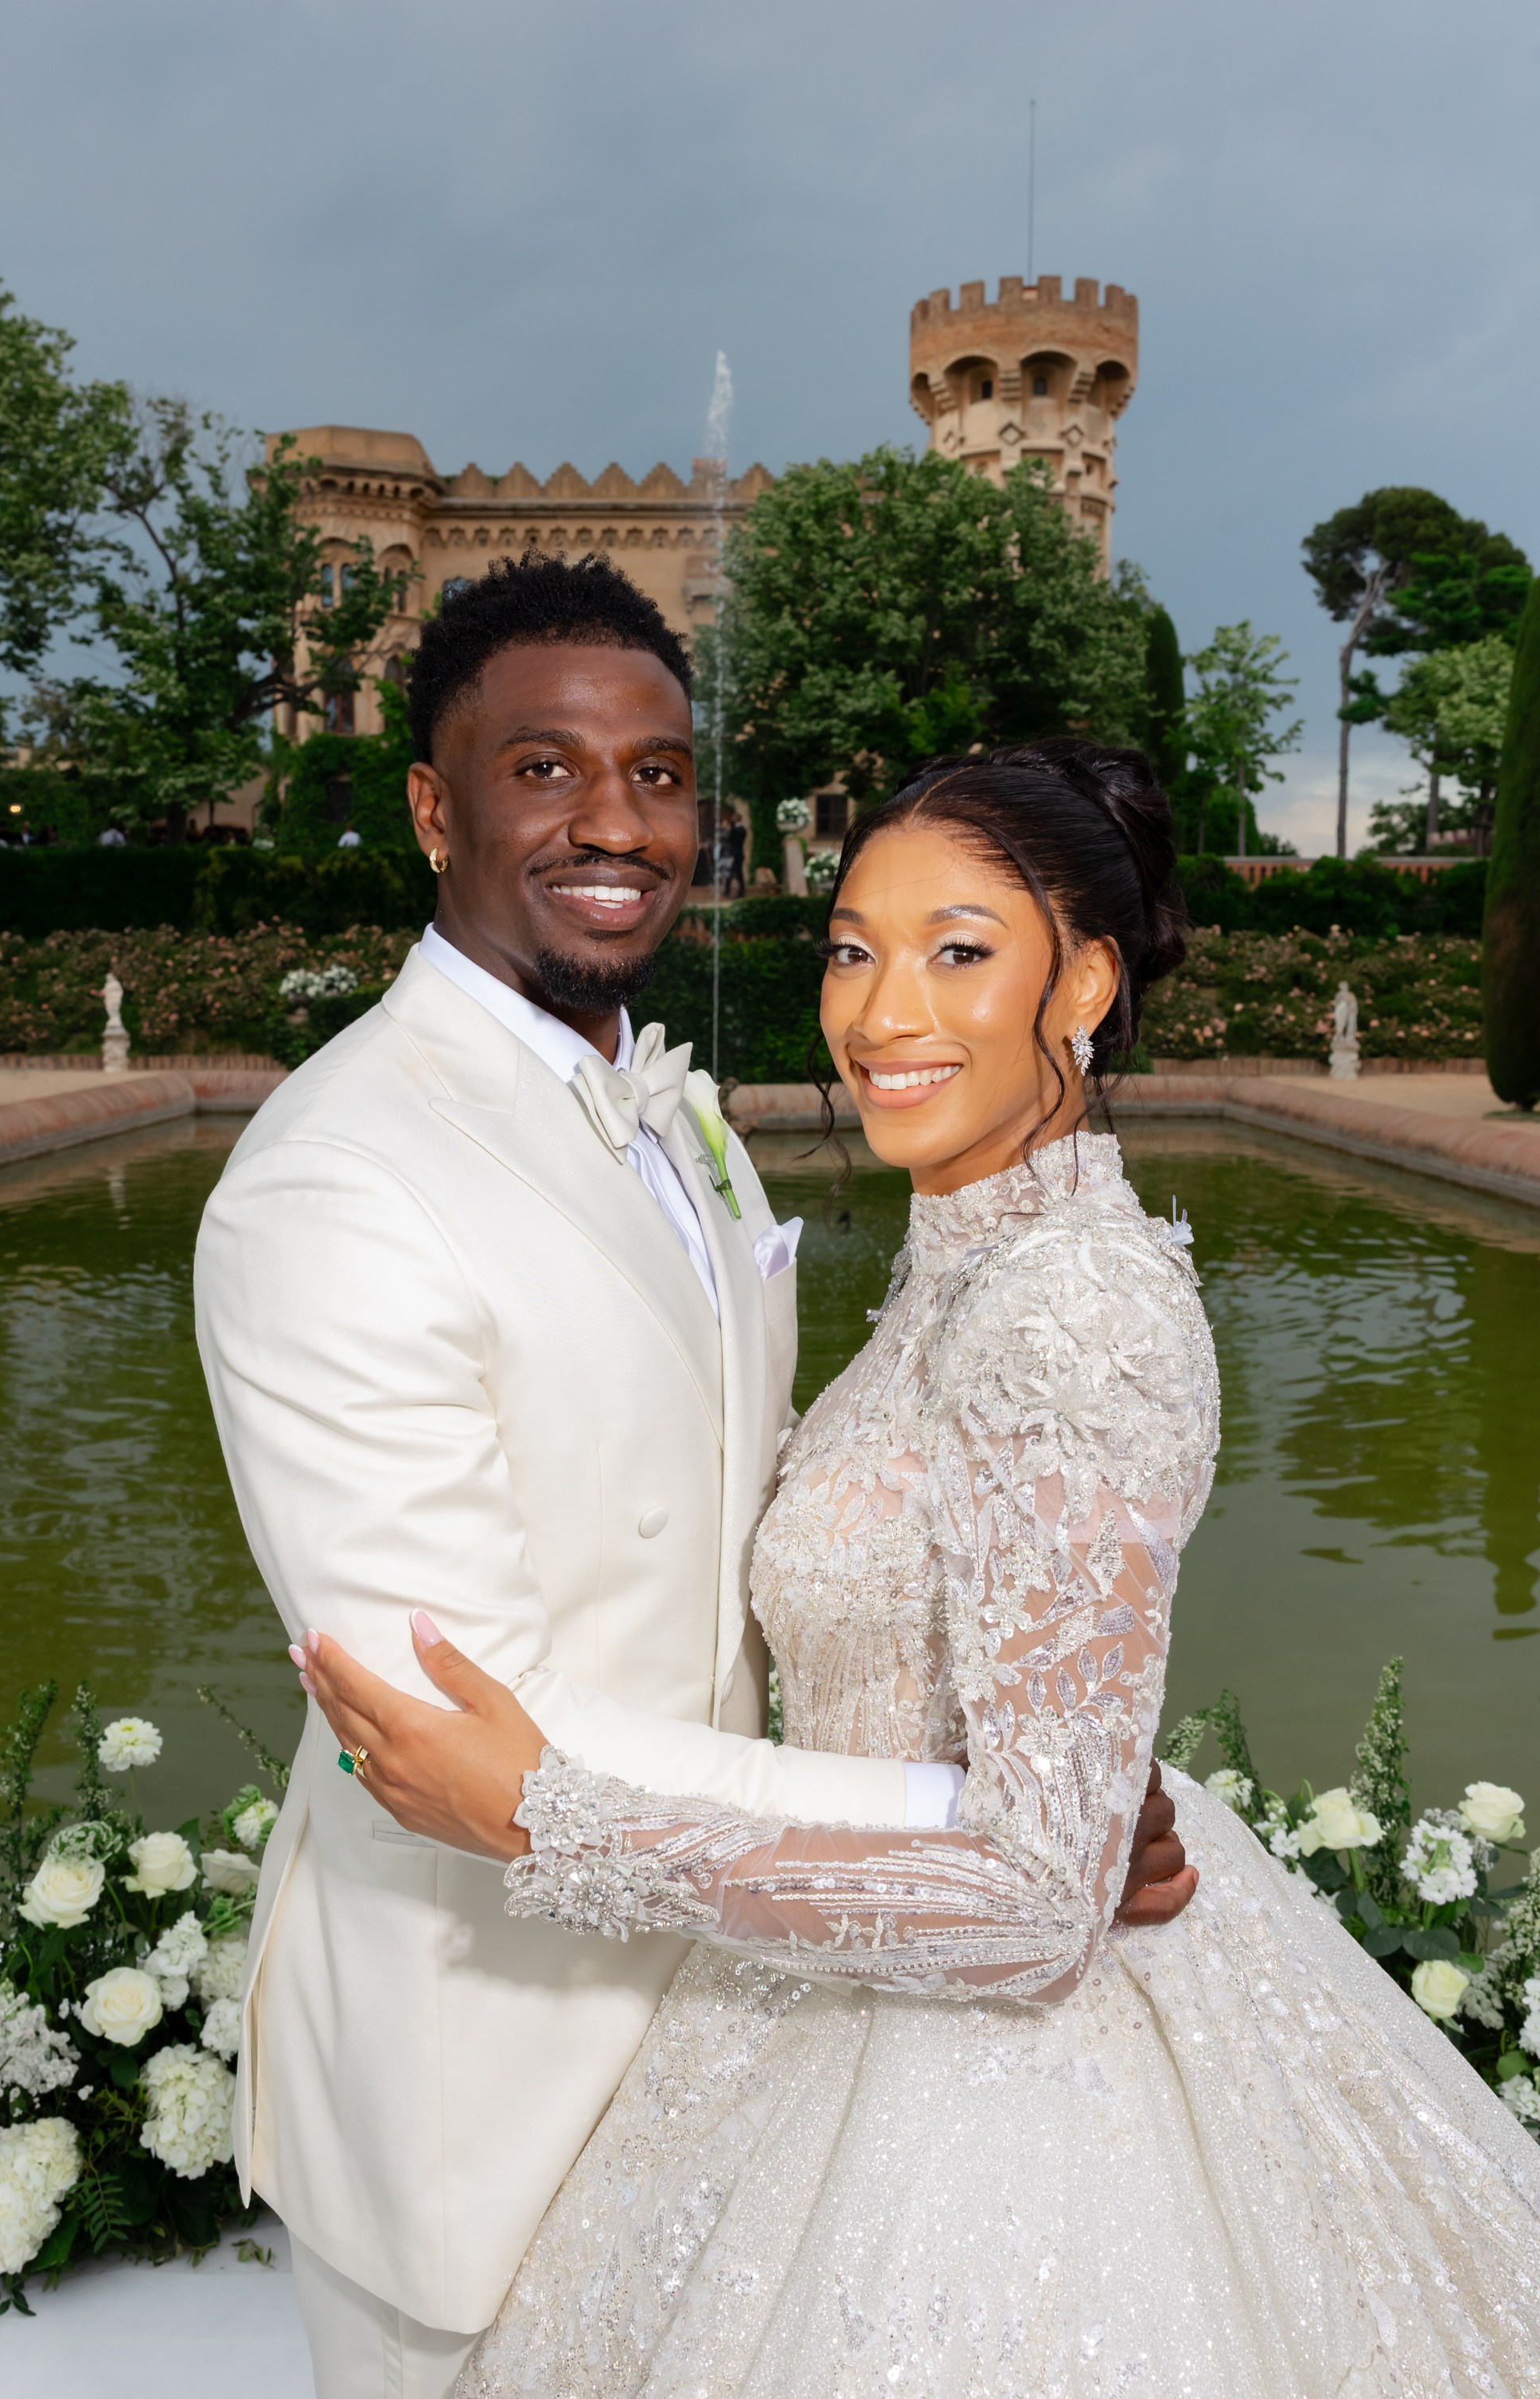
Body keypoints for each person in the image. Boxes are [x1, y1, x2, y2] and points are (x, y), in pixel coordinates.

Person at [303, 740, 1540, 2397]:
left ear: (1085, 981)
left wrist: (545, 1817)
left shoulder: (1071, 1311)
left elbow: (1039, 1907)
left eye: (960, 950)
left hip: (995, 2083)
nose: (883, 1011)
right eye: (852, 946)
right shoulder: (962, 1263)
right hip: (821, 1984)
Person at [194, 557, 1193, 2399]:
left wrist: (1027, 1793)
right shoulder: (339, 1181)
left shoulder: (673, 1115)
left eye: (658, 774)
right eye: (544, 769)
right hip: (492, 2057)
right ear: (433, 806)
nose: (616, 823)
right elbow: (445, 1725)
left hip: (766, 1996)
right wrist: (958, 1820)